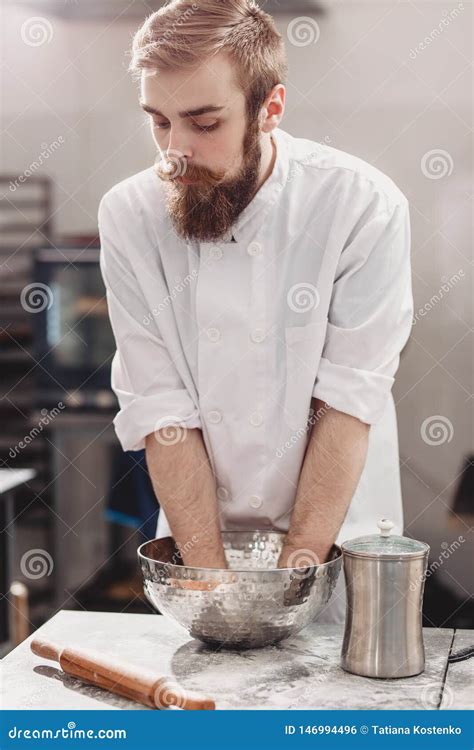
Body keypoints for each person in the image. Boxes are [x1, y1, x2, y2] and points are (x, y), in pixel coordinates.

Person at [98, 0, 413, 624]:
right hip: (197, 530)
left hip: (339, 538)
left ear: (270, 109)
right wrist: (216, 593)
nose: (175, 153)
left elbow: (349, 400)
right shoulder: (129, 215)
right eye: (159, 122)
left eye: (203, 124)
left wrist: (291, 578)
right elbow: (161, 408)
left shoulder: (360, 206)